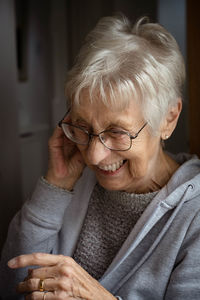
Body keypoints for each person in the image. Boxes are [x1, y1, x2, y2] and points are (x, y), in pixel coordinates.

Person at [0, 13, 200, 300]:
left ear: (168, 118)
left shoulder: (194, 213)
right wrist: (55, 185)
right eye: (82, 127)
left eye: (117, 132)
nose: (93, 156)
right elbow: (10, 287)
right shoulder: (75, 181)